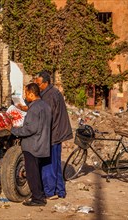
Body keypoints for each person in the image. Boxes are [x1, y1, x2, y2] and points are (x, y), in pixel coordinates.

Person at [7, 83, 52, 206]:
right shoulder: (46, 106)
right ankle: (39, 195)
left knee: (32, 173)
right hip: (42, 143)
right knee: (37, 171)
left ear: (32, 94)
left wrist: (13, 130)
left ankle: (38, 198)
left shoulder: (34, 108)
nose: (25, 96)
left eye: (26, 93)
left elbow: (29, 129)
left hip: (32, 146)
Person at [34, 70, 73, 199]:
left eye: (39, 84)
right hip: (57, 132)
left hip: (53, 133)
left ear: (45, 83)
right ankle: (59, 190)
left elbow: (47, 116)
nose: (37, 87)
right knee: (55, 163)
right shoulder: (52, 92)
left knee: (49, 164)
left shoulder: (49, 96)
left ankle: (50, 192)